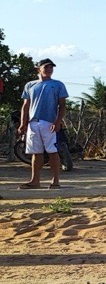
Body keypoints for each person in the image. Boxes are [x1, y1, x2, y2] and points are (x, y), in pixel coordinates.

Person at [17, 58, 68, 190]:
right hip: (34, 123)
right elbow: (25, 106)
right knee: (36, 152)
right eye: (46, 67)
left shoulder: (58, 85)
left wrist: (58, 121)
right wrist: (23, 123)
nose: (49, 69)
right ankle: (35, 180)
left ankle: (55, 180)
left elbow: (62, 105)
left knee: (52, 151)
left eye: (51, 67)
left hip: (49, 122)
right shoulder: (30, 85)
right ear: (39, 69)